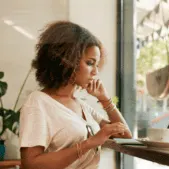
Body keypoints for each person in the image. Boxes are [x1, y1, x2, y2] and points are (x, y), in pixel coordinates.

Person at [19, 21, 132, 169]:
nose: (96, 72)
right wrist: (90, 143)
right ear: (67, 60)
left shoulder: (81, 106)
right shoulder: (38, 102)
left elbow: (125, 136)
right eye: (90, 63)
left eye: (97, 65)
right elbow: (31, 164)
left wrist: (105, 100)